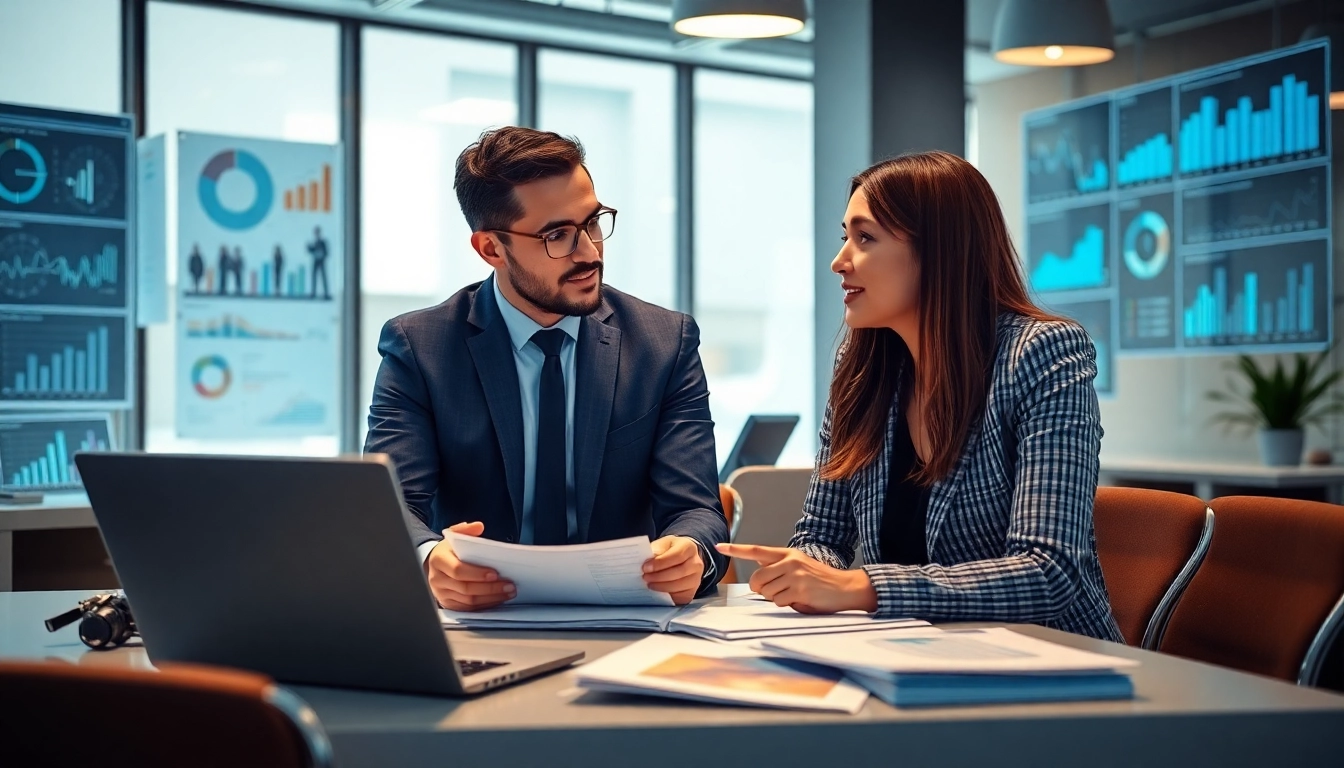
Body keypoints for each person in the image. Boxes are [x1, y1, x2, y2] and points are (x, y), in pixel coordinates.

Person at [719, 151, 1123, 642]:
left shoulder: (1040, 354)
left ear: (938, 251)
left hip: (1053, 659)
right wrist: (804, 573)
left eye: (865, 238)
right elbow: (821, 536)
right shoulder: (862, 368)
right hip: (913, 651)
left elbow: (1046, 572)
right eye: (845, 237)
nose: (839, 261)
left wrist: (863, 587)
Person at [365, 126, 727, 611]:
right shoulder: (420, 349)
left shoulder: (664, 343)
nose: (590, 252)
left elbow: (698, 510)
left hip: (626, 617)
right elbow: (390, 509)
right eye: (557, 235)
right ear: (491, 249)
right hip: (479, 616)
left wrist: (690, 553)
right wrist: (430, 560)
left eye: (593, 222)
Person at [307, 226, 330, 299]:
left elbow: (326, 252)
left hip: (321, 261)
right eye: (315, 232)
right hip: (316, 261)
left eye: (317, 232)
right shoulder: (315, 242)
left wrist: (322, 255)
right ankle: (313, 293)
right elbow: (312, 250)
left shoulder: (323, 242)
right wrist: (309, 248)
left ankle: (326, 293)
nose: (316, 234)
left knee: (323, 277)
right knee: (314, 277)